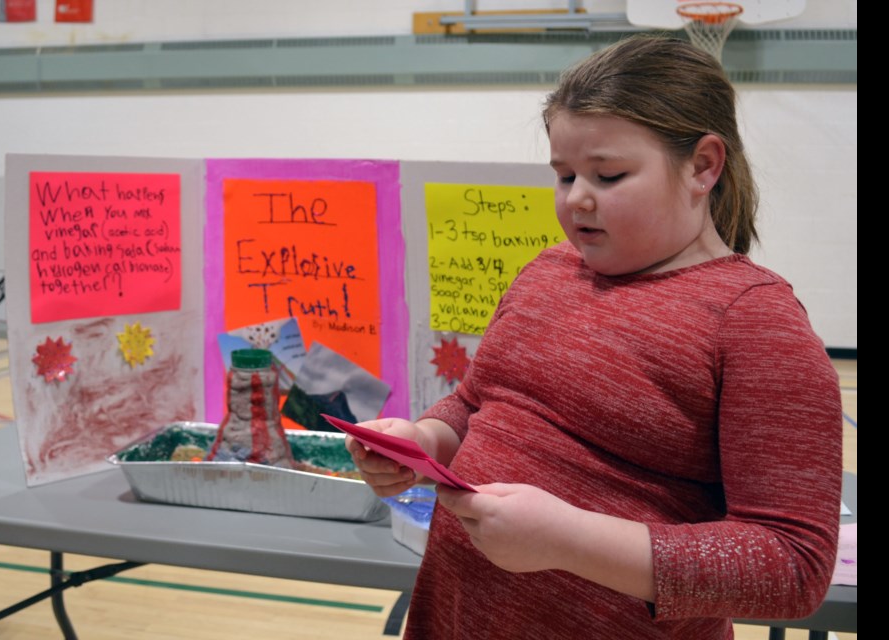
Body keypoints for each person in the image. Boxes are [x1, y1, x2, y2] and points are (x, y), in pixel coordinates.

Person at [347, 35, 843, 639]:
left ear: (704, 165)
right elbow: (478, 405)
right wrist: (424, 440)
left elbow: (793, 566)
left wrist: (568, 540)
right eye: (564, 175)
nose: (577, 197)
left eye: (608, 175)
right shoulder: (547, 271)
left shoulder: (755, 323)